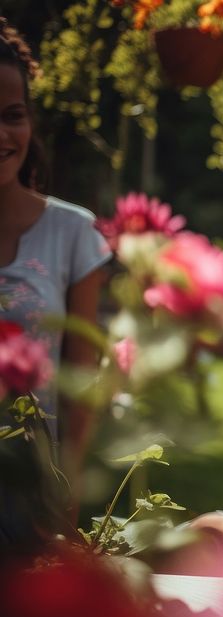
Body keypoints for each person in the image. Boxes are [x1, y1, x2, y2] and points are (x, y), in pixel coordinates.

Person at [0, 20, 110, 499]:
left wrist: (62, 512)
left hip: (30, 504)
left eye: (12, 114)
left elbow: (79, 395)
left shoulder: (73, 234)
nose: (2, 133)